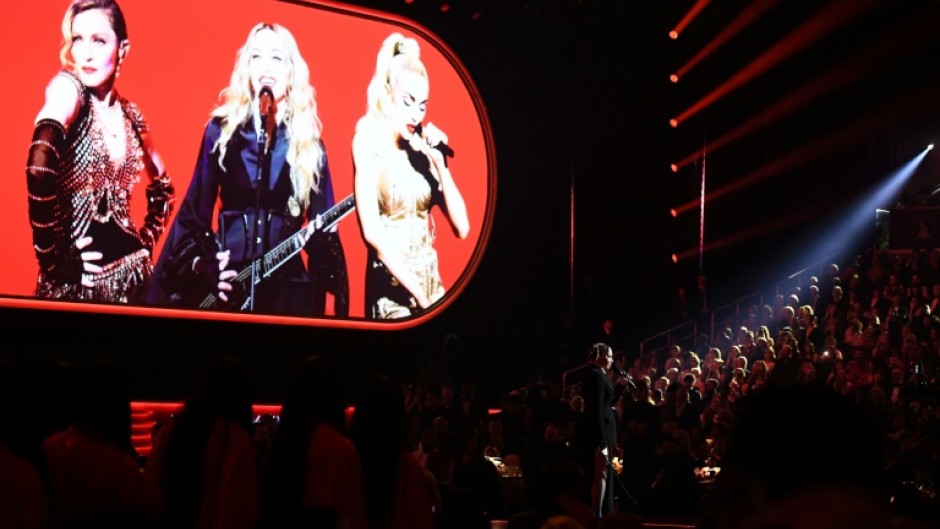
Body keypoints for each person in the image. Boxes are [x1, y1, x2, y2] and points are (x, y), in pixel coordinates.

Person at [152, 22, 348, 315]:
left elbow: (326, 238)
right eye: (256, 56)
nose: (266, 66)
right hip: (230, 286)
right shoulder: (220, 133)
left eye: (277, 57)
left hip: (289, 293)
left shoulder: (310, 145)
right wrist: (204, 266)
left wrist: (320, 244)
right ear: (247, 67)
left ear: (291, 71)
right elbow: (193, 216)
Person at [26, 0, 174, 303]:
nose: (86, 53)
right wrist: (52, 261)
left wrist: (145, 243)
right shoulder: (69, 89)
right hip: (82, 286)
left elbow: (164, 190)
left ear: (123, 49)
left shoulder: (130, 115)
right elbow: (39, 165)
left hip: (135, 281)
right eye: (78, 39)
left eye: (99, 40)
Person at [353, 32, 470, 319]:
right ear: (388, 92)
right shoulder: (367, 140)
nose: (416, 114)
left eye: (422, 104)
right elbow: (374, 236)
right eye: (408, 101)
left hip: (432, 288)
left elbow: (463, 228)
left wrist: (440, 164)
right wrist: (420, 298)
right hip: (393, 292)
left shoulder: (421, 151)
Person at [576, 343, 625, 517]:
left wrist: (619, 388)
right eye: (610, 356)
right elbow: (596, 409)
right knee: (600, 473)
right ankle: (597, 512)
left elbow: (605, 403)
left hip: (604, 429)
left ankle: (599, 510)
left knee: (602, 473)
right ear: (602, 355)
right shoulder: (595, 375)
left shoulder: (598, 374)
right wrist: (602, 440)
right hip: (600, 431)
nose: (612, 360)